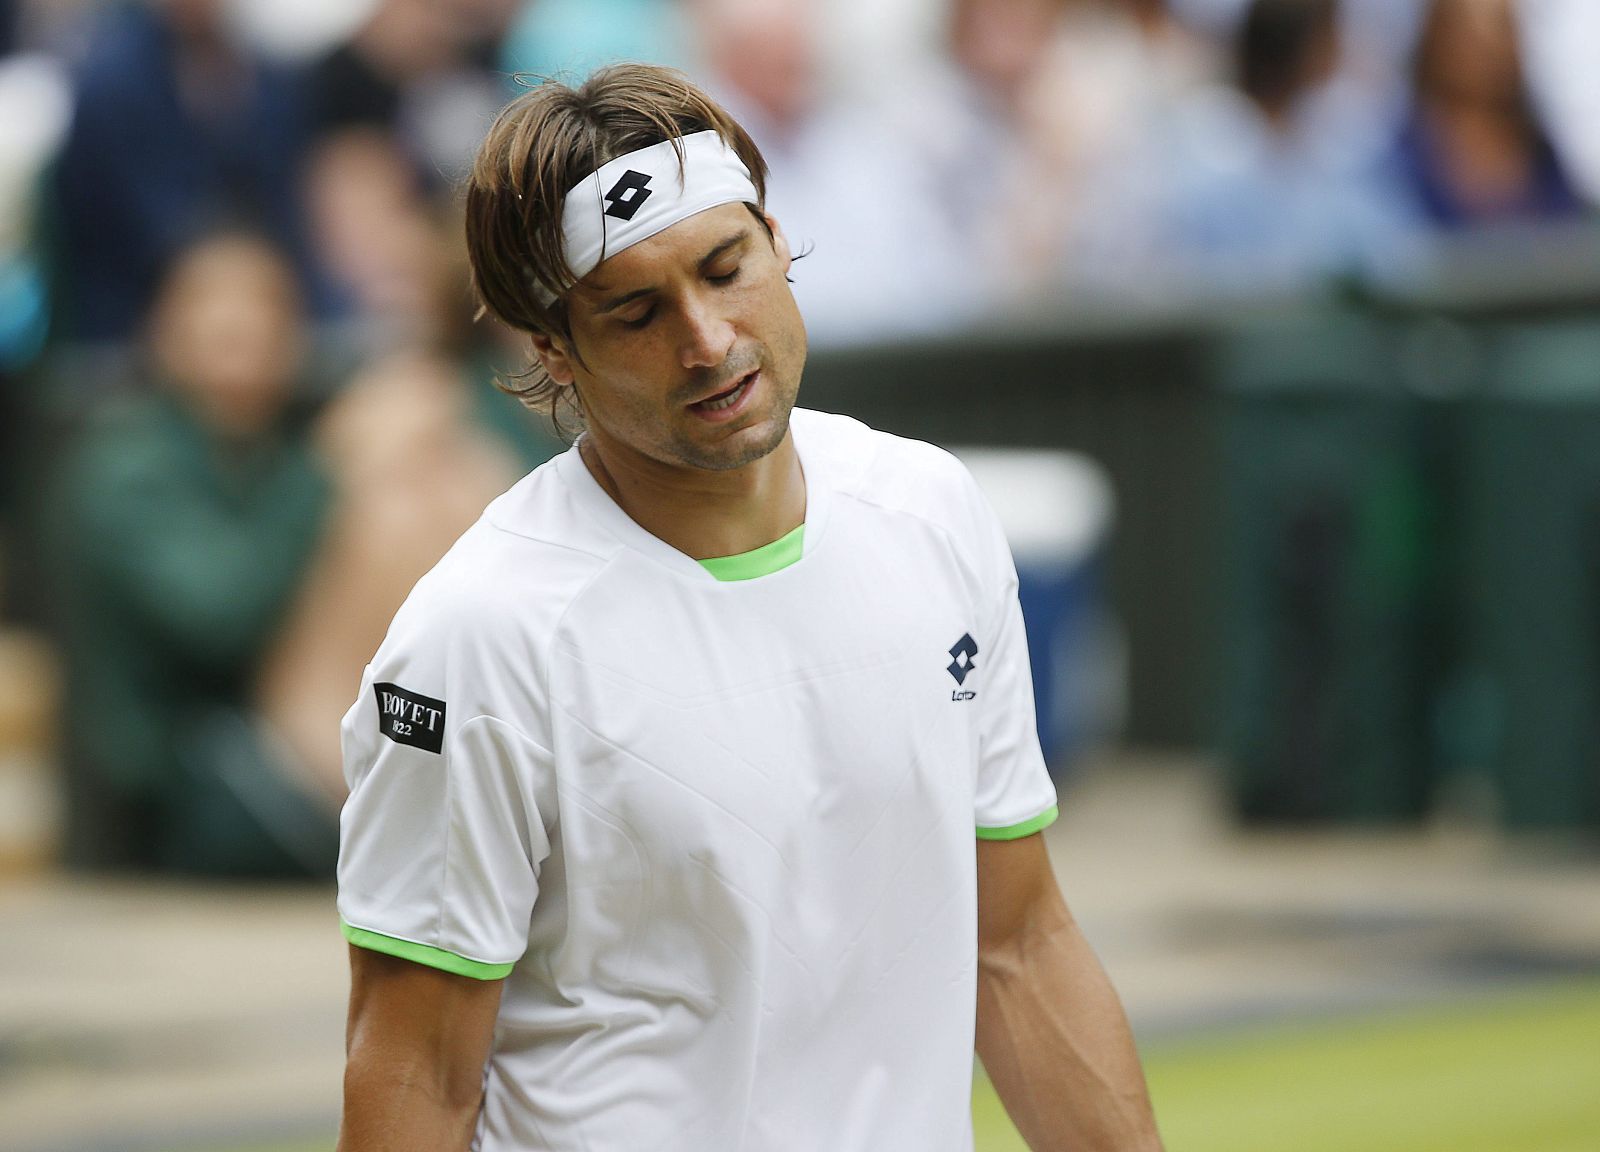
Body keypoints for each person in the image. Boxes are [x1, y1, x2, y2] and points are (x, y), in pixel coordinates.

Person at [336, 63, 1164, 1152]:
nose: (708, 340)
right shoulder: (476, 641)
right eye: (636, 312)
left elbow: (1016, 947)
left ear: (776, 240)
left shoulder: (932, 512)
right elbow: (418, 1077)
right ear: (552, 351)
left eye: (726, 268)